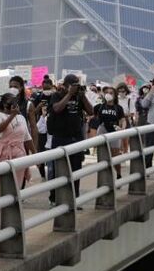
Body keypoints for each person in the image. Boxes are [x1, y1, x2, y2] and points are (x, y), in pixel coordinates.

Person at [47, 74, 93, 202]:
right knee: (57, 170)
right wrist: (68, 95)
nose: (75, 88)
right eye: (73, 85)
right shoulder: (57, 95)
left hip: (76, 137)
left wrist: (82, 96)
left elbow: (91, 111)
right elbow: (56, 109)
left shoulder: (79, 96)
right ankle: (54, 198)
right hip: (60, 137)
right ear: (66, 85)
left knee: (76, 169)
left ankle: (74, 197)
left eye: (76, 85)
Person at [0, 93, 32, 197]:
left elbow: (27, 138)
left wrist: (35, 155)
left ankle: (14, 209)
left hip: (19, 155)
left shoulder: (21, 118)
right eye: (10, 102)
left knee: (16, 187)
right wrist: (12, 115)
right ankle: (3, 208)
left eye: (15, 102)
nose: (13, 104)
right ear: (3, 104)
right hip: (2, 155)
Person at [91, 86, 127, 178]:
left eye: (111, 93)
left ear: (115, 95)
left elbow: (123, 120)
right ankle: (105, 177)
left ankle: (118, 174)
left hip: (114, 130)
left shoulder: (118, 108)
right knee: (102, 154)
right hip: (102, 129)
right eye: (107, 92)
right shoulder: (99, 107)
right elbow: (92, 115)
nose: (109, 94)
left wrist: (123, 128)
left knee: (115, 155)